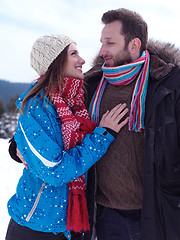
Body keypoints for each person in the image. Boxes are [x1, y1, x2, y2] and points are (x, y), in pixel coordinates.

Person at [5, 34, 129, 240]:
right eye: (74, 53)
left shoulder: (78, 100)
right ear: (55, 61)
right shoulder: (37, 107)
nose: (82, 60)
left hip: (72, 227)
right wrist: (102, 136)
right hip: (35, 228)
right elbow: (55, 170)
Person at [84, 8, 180, 240]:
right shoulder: (92, 82)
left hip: (153, 214)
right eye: (101, 42)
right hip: (103, 215)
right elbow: (59, 118)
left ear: (134, 45)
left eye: (110, 43)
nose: (102, 50)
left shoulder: (170, 83)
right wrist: (18, 145)